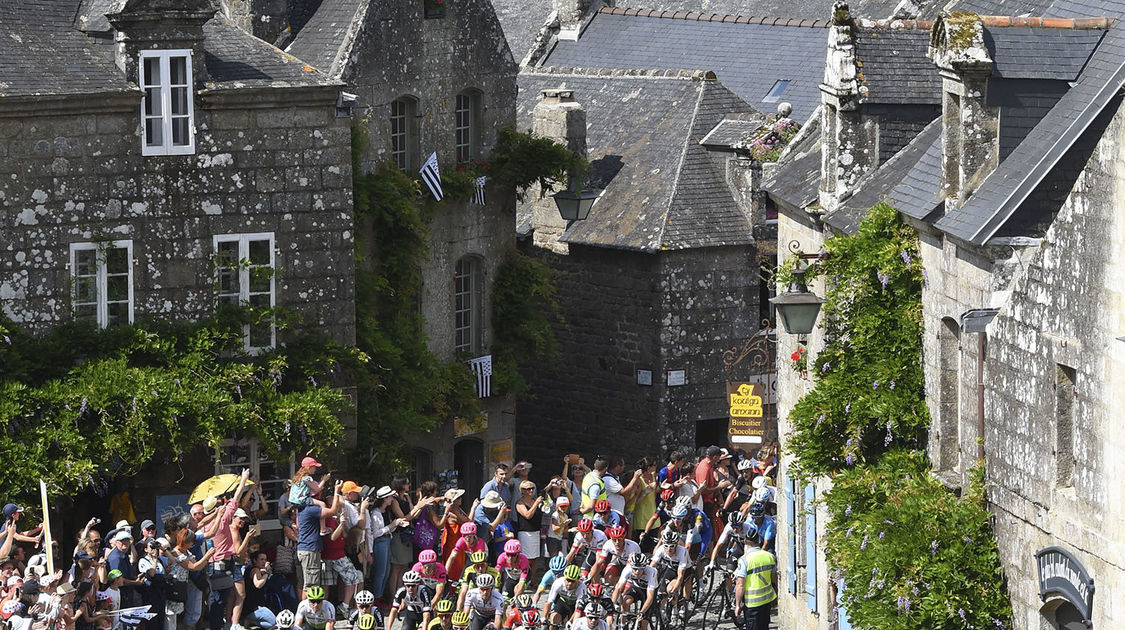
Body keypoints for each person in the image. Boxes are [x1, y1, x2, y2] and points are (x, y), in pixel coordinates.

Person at [296, 479, 344, 599]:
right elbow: (333, 511)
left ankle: (308, 612)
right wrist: (337, 491)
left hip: (306, 549)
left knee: (309, 583)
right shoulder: (311, 510)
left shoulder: (301, 508)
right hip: (309, 550)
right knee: (310, 585)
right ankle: (307, 615)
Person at [367, 486, 408, 604]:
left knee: (386, 571)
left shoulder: (386, 511)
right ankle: (377, 598)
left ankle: (380, 596)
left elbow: (387, 529)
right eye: (390, 497)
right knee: (381, 572)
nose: (392, 499)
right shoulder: (376, 513)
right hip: (380, 542)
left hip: (387, 540)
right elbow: (375, 533)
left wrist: (396, 524)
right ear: (384, 499)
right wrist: (391, 525)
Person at [733, 534, 776, 630]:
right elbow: (774, 579)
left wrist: (737, 605)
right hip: (767, 600)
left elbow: (740, 585)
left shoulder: (744, 560)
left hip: (752, 604)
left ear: (745, 541)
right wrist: (775, 597)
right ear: (759, 541)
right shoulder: (770, 556)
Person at [611, 553, 656, 630]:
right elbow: (618, 588)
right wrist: (612, 605)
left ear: (645, 567)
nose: (637, 572)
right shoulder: (627, 569)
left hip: (648, 592)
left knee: (643, 624)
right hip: (636, 587)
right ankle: (623, 625)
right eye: (634, 569)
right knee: (625, 602)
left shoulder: (652, 571)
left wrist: (642, 612)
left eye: (640, 569)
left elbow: (650, 597)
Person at [513, 481, 543, 579]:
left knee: (535, 559)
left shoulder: (535, 500)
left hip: (536, 532)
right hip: (525, 533)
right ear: (522, 490)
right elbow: (527, 515)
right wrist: (536, 504)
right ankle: (524, 579)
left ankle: (533, 580)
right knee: (526, 559)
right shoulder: (519, 503)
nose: (531, 491)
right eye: (528, 489)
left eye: (532, 488)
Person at [243, 551, 279, 628]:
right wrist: (266, 573)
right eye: (261, 559)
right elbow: (258, 584)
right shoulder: (255, 570)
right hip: (254, 608)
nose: (264, 562)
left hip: (250, 607)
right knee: (274, 623)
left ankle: (251, 621)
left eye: (265, 560)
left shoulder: (253, 569)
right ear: (255, 560)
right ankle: (250, 621)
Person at [628, 459, 658, 542]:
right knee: (642, 543)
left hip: (653, 513)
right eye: (654, 465)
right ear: (649, 467)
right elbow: (636, 501)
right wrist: (646, 492)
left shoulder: (654, 476)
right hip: (642, 516)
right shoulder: (639, 480)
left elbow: (655, 492)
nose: (656, 467)